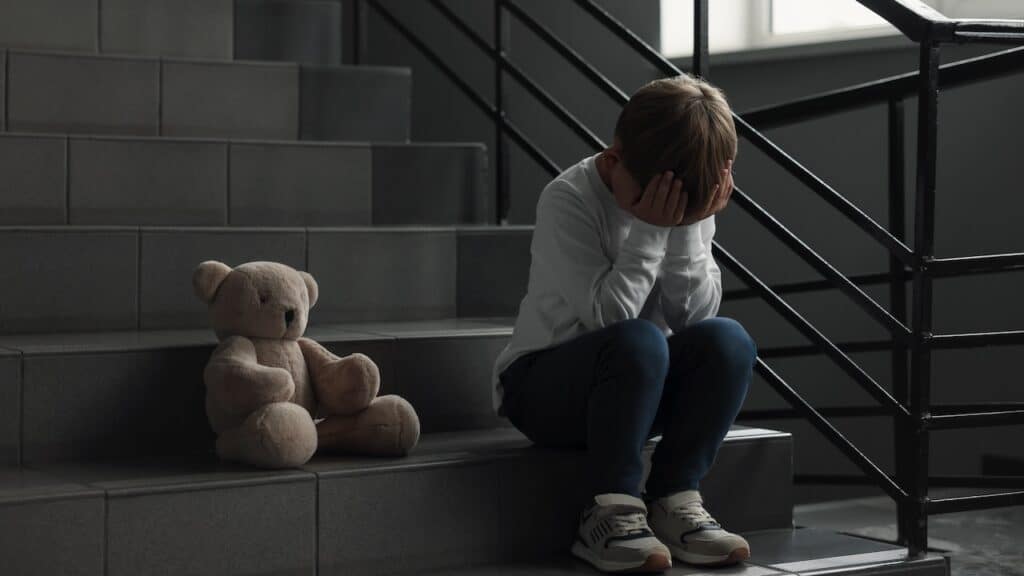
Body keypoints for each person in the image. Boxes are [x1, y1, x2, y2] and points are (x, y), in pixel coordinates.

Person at [492, 74, 757, 573]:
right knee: (639, 339)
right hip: (544, 389)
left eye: (687, 209)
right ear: (613, 161)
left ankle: (675, 498)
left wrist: (686, 230)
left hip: (636, 388)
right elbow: (607, 318)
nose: (672, 213)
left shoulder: (686, 205)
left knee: (729, 340)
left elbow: (695, 317)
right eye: (659, 202)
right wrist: (653, 232)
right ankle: (609, 512)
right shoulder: (568, 198)